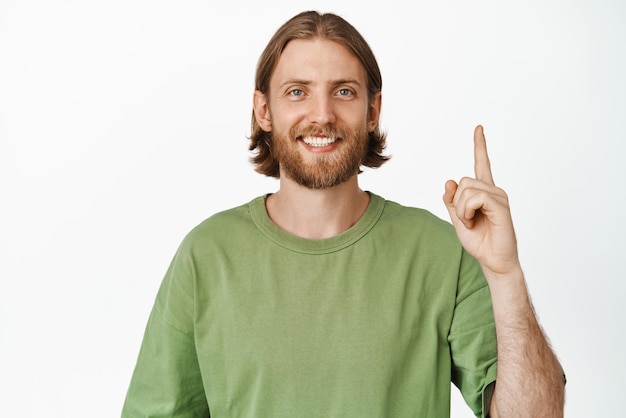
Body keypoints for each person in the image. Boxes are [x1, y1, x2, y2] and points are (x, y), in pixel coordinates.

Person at [122, 10, 565, 418]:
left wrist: (506, 274)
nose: (322, 114)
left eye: (344, 92)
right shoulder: (207, 255)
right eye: (297, 92)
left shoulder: (441, 252)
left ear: (372, 110)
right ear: (263, 111)